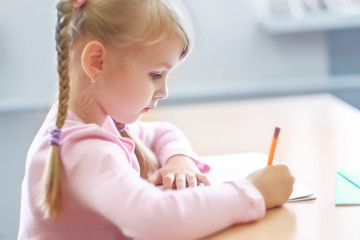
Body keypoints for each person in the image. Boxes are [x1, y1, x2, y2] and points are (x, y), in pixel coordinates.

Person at [18, 0, 295, 239]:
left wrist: (179, 161)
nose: (163, 92)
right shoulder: (81, 149)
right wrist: (253, 191)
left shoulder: (96, 121)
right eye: (155, 75)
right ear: (97, 61)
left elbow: (163, 133)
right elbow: (155, 220)